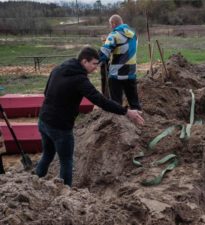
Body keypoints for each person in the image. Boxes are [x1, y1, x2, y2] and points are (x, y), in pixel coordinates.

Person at [36, 47, 144, 187]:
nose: (96, 67)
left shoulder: (58, 69)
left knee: (48, 154)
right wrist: (127, 112)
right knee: (66, 161)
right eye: (94, 64)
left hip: (44, 120)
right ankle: (66, 193)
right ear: (84, 61)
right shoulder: (79, 80)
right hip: (60, 127)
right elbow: (100, 101)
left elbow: (46, 92)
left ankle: (34, 181)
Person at [99, 14, 141, 110]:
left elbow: (104, 53)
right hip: (131, 73)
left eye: (110, 24)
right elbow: (125, 48)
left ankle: (118, 123)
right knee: (134, 102)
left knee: (116, 104)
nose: (110, 27)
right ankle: (139, 121)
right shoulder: (134, 35)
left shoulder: (114, 35)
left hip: (116, 74)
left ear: (113, 23)